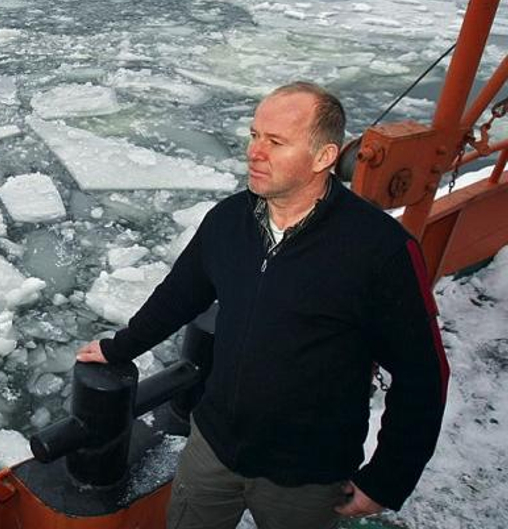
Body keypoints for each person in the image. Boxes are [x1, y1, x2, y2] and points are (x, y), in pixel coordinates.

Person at [77, 82, 450, 529]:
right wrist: (120, 348)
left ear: (323, 157)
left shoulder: (380, 251)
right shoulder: (228, 222)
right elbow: (179, 296)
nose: (255, 151)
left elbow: (423, 375)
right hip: (214, 447)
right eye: (255, 135)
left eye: (275, 142)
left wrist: (388, 479)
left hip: (307, 475)